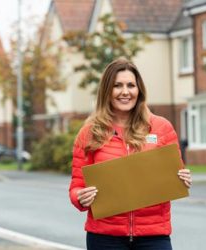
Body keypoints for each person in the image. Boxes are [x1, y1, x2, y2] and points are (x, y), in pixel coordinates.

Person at [69, 58, 192, 250]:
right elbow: (76, 186)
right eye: (117, 85)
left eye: (131, 85)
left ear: (139, 90)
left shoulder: (161, 128)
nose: (125, 92)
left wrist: (182, 178)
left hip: (153, 235)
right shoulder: (89, 133)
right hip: (105, 237)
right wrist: (80, 197)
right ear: (107, 91)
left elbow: (174, 174)